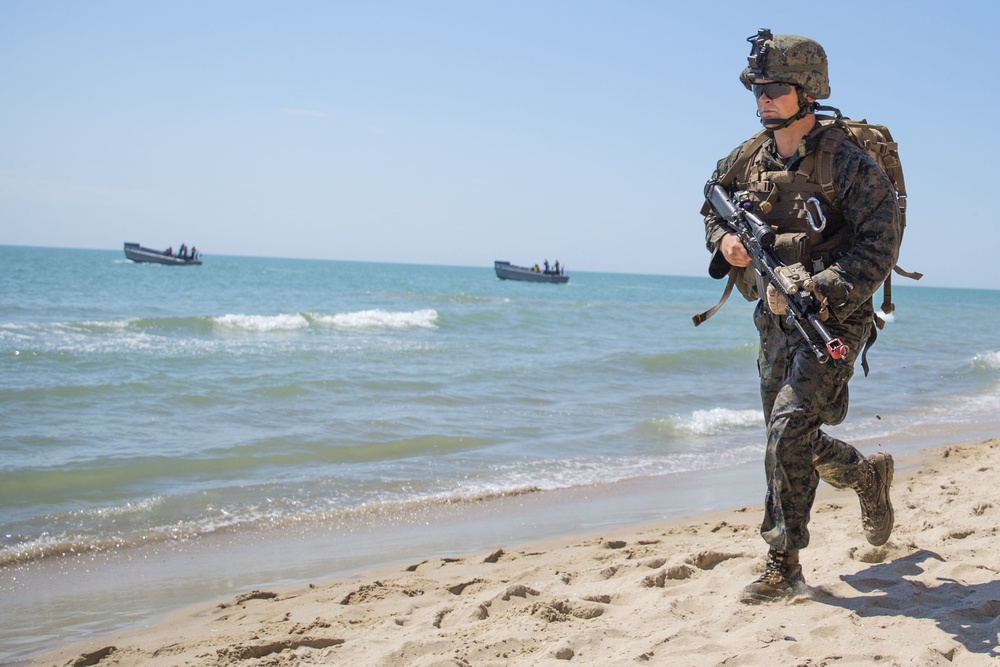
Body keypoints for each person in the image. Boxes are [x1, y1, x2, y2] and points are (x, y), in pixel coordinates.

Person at [701, 30, 900, 603]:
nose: (763, 98)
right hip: (772, 317)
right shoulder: (746, 159)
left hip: (833, 318)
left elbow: (879, 243)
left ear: (808, 91)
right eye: (757, 88)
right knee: (788, 438)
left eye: (775, 88)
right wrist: (725, 244)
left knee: (789, 428)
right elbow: (709, 198)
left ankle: (782, 564)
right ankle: (866, 476)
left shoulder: (851, 165)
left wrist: (819, 289)